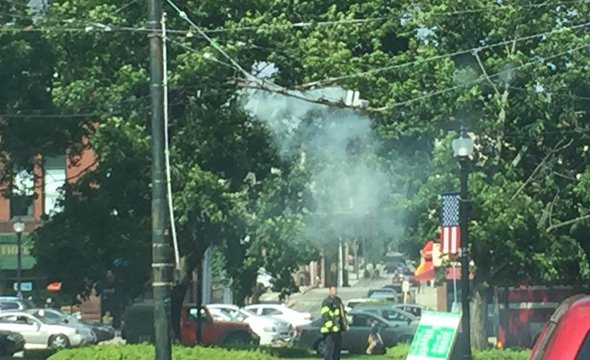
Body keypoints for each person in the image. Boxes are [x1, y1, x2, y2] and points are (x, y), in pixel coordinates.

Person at [320, 286, 347, 360]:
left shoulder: (338, 301)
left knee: (337, 350)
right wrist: (331, 327)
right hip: (329, 331)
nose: (335, 292)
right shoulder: (326, 302)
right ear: (329, 291)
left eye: (336, 290)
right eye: (333, 290)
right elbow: (325, 316)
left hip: (337, 330)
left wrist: (344, 324)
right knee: (330, 350)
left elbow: (342, 314)